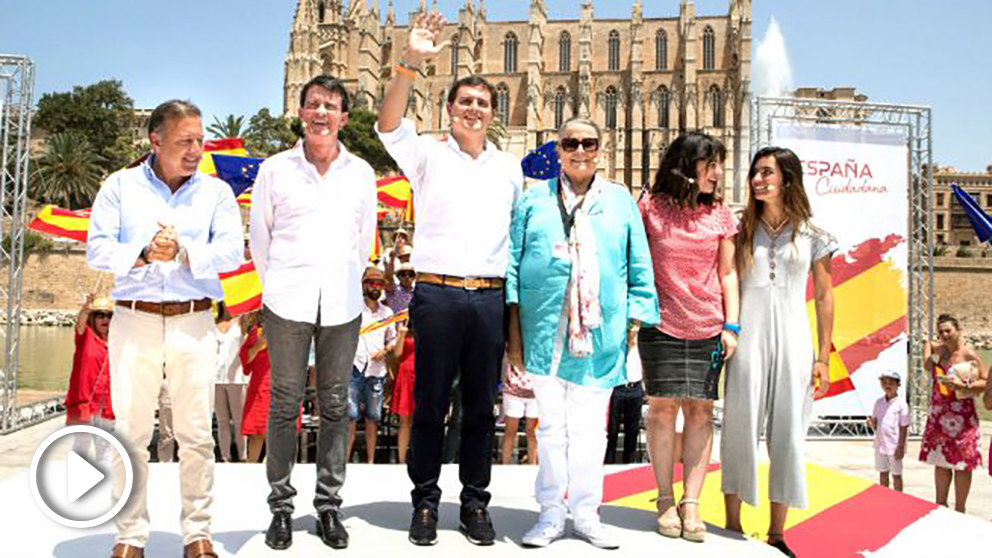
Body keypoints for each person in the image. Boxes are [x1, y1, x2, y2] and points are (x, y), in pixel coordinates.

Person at [377, 11, 523, 547]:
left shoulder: (510, 169)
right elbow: (389, 123)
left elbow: (520, 238)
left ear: (493, 111)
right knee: (431, 401)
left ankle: (475, 503)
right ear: (450, 108)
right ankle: (424, 503)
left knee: (482, 408)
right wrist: (410, 61)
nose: (475, 110)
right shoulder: (427, 155)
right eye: (466, 102)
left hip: (488, 297)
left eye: (483, 103)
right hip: (437, 293)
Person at [87, 99, 243, 558]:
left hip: (194, 320)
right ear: (156, 140)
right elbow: (96, 249)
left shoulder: (216, 194)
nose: (196, 149)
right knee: (131, 431)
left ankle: (198, 534)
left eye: (200, 140)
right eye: (185, 141)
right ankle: (129, 536)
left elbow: (233, 252)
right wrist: (141, 252)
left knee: (197, 432)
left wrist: (184, 250)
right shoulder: (119, 186)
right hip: (134, 318)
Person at [507, 117, 658, 549]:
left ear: (599, 149)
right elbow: (514, 267)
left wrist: (634, 321)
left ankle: (587, 513)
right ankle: (551, 514)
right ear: (558, 150)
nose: (579, 150)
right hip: (544, 329)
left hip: (600, 331)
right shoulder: (534, 200)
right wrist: (513, 330)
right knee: (552, 428)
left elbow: (639, 262)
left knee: (592, 430)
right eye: (569, 142)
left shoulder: (619, 201)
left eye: (587, 143)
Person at [250, 74, 377, 551]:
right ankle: (281, 507)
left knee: (333, 405)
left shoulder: (361, 173)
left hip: (341, 304)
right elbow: (260, 239)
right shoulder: (275, 170)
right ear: (301, 113)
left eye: (331, 106)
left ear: (344, 118)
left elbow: (364, 242)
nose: (321, 113)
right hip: (286, 301)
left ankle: (328, 506)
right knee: (283, 405)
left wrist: (340, 276)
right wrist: (280, 283)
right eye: (314, 104)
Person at [721, 146, 836, 558]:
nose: (757, 179)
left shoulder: (814, 234)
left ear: (787, 178)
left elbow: (824, 297)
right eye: (754, 172)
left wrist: (822, 356)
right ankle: (732, 525)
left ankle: (776, 533)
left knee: (788, 432)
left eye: (767, 172)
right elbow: (727, 280)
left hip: (794, 339)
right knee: (739, 427)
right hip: (747, 338)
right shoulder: (739, 229)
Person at [637, 132, 739, 543]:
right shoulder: (650, 207)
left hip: (707, 324)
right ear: (687, 165)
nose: (717, 173)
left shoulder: (721, 215)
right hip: (659, 324)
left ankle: (692, 501)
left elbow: (727, 273)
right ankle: (664, 498)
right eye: (710, 164)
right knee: (661, 411)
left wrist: (731, 325)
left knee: (700, 411)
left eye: (719, 164)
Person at [920, 314, 986, 512]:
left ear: (958, 331)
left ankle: (960, 509)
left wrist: (962, 384)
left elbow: (985, 382)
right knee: (940, 461)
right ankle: (940, 505)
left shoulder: (969, 355)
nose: (945, 335)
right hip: (939, 413)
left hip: (962, 415)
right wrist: (929, 352)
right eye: (941, 332)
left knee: (963, 462)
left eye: (948, 330)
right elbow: (927, 352)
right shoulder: (938, 351)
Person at [347, 266, 398, 463]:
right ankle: (345, 460)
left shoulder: (388, 312)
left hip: (377, 370)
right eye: (371, 282)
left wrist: (385, 351)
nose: (375, 287)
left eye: (379, 283)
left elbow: (392, 339)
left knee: (373, 417)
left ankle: (370, 461)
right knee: (350, 417)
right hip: (354, 366)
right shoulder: (353, 308)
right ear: (363, 285)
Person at [65, 294, 115, 463]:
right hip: (84, 403)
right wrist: (85, 309)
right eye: (100, 314)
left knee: (105, 447)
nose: (105, 319)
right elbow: (80, 324)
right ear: (93, 318)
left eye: (109, 315)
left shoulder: (117, 342)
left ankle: (106, 486)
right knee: (82, 444)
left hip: (106, 404)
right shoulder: (85, 336)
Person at [214, 302, 246, 462]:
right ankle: (225, 456)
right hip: (216, 378)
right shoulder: (214, 324)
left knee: (239, 420)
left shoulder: (242, 321)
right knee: (222, 420)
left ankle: (243, 455)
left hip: (237, 377)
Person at [868, 371, 909, 492]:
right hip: (880, 445)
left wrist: (901, 446)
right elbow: (876, 424)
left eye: (891, 382)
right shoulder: (878, 402)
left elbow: (904, 426)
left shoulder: (901, 404)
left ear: (898, 385)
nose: (888, 385)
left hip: (894, 445)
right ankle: (884, 497)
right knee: (883, 473)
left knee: (896, 474)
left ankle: (899, 498)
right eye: (884, 382)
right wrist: (871, 424)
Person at [240, 312, 270, 463]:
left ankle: (272, 466)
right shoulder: (255, 333)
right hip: (259, 388)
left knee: (278, 432)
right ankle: (251, 467)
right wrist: (258, 346)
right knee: (257, 432)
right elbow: (246, 360)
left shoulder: (287, 332)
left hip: (281, 385)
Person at [500, 358, 538, 465]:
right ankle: (504, 465)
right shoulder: (514, 341)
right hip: (513, 390)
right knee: (511, 431)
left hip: (535, 391)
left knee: (532, 432)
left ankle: (533, 465)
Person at [391, 319, 416, 464]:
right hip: (406, 374)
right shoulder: (404, 328)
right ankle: (401, 460)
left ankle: (418, 458)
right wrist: (401, 334)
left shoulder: (428, 327)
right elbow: (397, 353)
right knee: (404, 420)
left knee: (421, 420)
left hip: (423, 373)